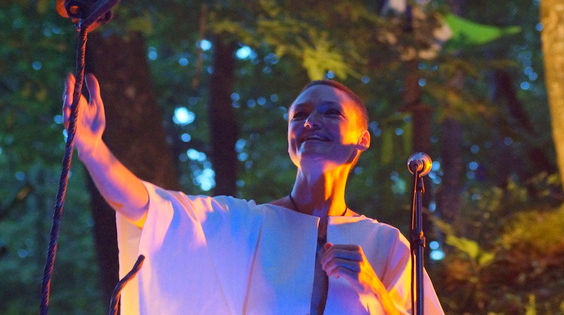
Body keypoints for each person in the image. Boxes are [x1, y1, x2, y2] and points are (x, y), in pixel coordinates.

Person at [63, 73, 444, 315]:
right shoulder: (245, 225)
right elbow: (148, 207)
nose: (310, 121)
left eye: (331, 113)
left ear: (362, 140)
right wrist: (93, 150)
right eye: (299, 115)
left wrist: (374, 289)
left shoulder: (387, 244)